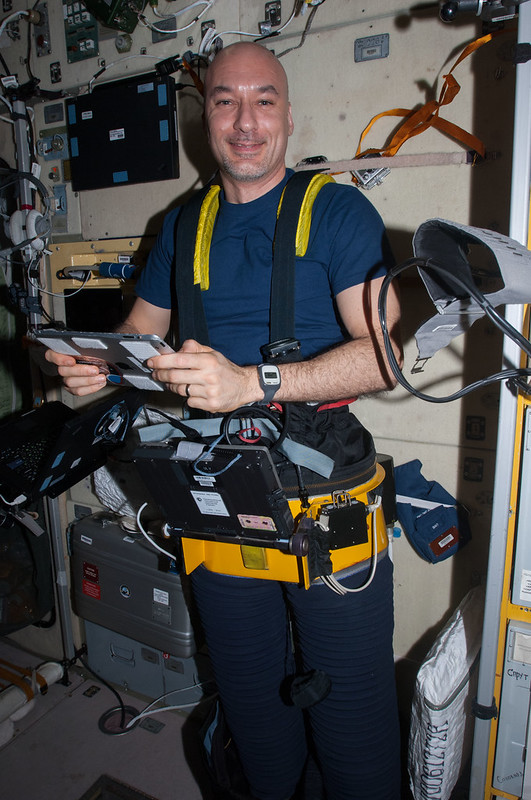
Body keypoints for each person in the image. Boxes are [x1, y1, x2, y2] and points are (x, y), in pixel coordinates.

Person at [47, 42, 403, 800]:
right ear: (202, 117)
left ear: (287, 115)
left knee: (353, 724)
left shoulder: (337, 211)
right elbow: (139, 337)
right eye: (225, 100)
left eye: (263, 100)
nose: (245, 121)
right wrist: (96, 363)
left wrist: (254, 382)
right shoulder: (183, 224)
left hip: (324, 498)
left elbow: (384, 356)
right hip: (214, 492)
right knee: (252, 708)